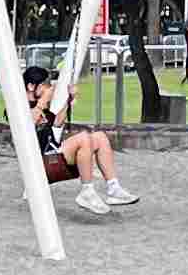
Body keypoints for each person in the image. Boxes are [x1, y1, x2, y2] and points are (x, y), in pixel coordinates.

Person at [20, 64, 138, 214]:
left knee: (99, 137)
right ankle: (86, 191)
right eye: (45, 85)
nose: (49, 89)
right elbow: (27, 123)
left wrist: (70, 99)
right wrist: (43, 101)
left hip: (53, 156)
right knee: (83, 138)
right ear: (31, 86)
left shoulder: (44, 109)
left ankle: (113, 188)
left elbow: (57, 123)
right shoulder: (18, 109)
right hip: (38, 166)